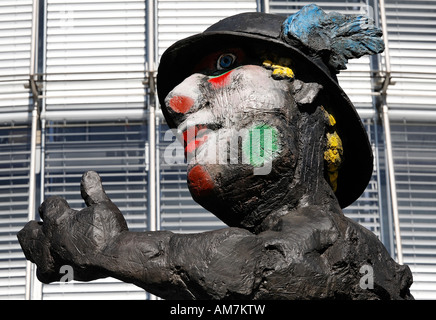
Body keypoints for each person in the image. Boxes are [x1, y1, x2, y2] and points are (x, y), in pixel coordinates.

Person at [18, 4, 413, 299]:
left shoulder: (337, 242)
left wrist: (109, 250)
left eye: (225, 65)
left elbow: (262, 268)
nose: (177, 101)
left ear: (303, 90)